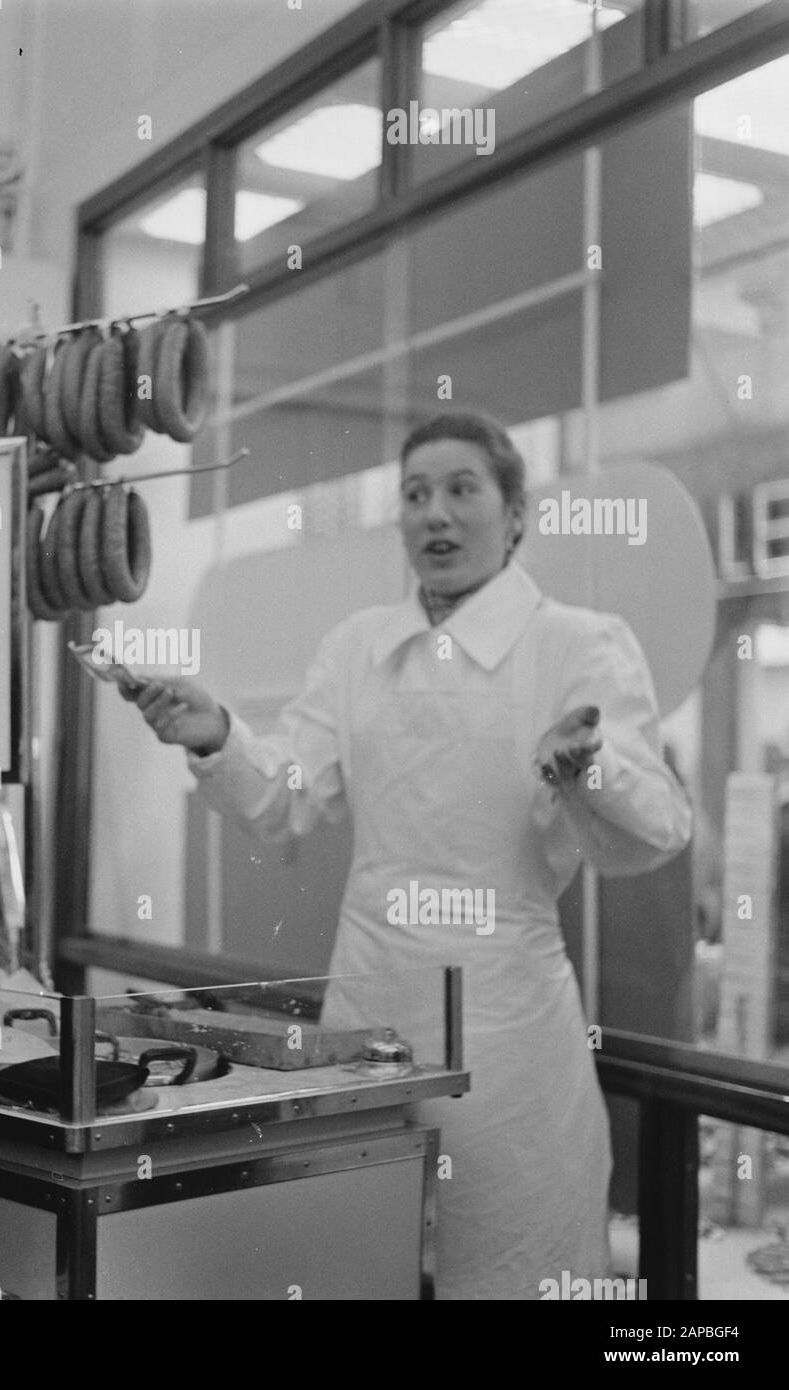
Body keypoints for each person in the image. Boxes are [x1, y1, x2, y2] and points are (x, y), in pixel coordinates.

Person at [124, 411, 692, 1298]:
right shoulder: (357, 648)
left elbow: (658, 827)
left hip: (508, 1028)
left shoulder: (578, 643)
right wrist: (219, 737)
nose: (435, 514)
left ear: (514, 515)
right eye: (416, 494)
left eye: (462, 489)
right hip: (369, 1012)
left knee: (510, 1263)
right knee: (359, 1255)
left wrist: (590, 768)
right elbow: (286, 801)